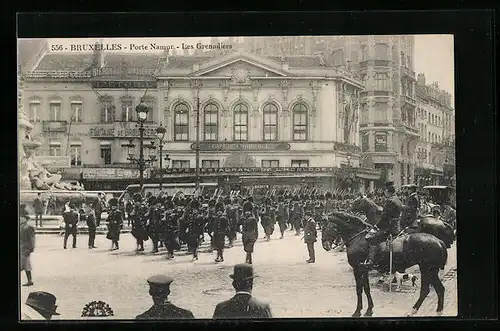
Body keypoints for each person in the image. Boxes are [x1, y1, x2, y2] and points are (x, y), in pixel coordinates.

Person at [362, 181, 403, 268]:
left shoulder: (390, 201)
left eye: (385, 192)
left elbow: (384, 217)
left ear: (388, 192)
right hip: (396, 225)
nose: (384, 194)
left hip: (390, 227)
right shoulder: (397, 199)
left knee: (372, 238)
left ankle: (371, 261)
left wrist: (377, 226)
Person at [20, 204, 35, 286]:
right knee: (26, 265)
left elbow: (32, 239)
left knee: (25, 265)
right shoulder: (21, 226)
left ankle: (30, 280)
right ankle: (29, 280)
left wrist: (30, 249)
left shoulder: (28, 227)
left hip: (25, 249)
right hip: (21, 248)